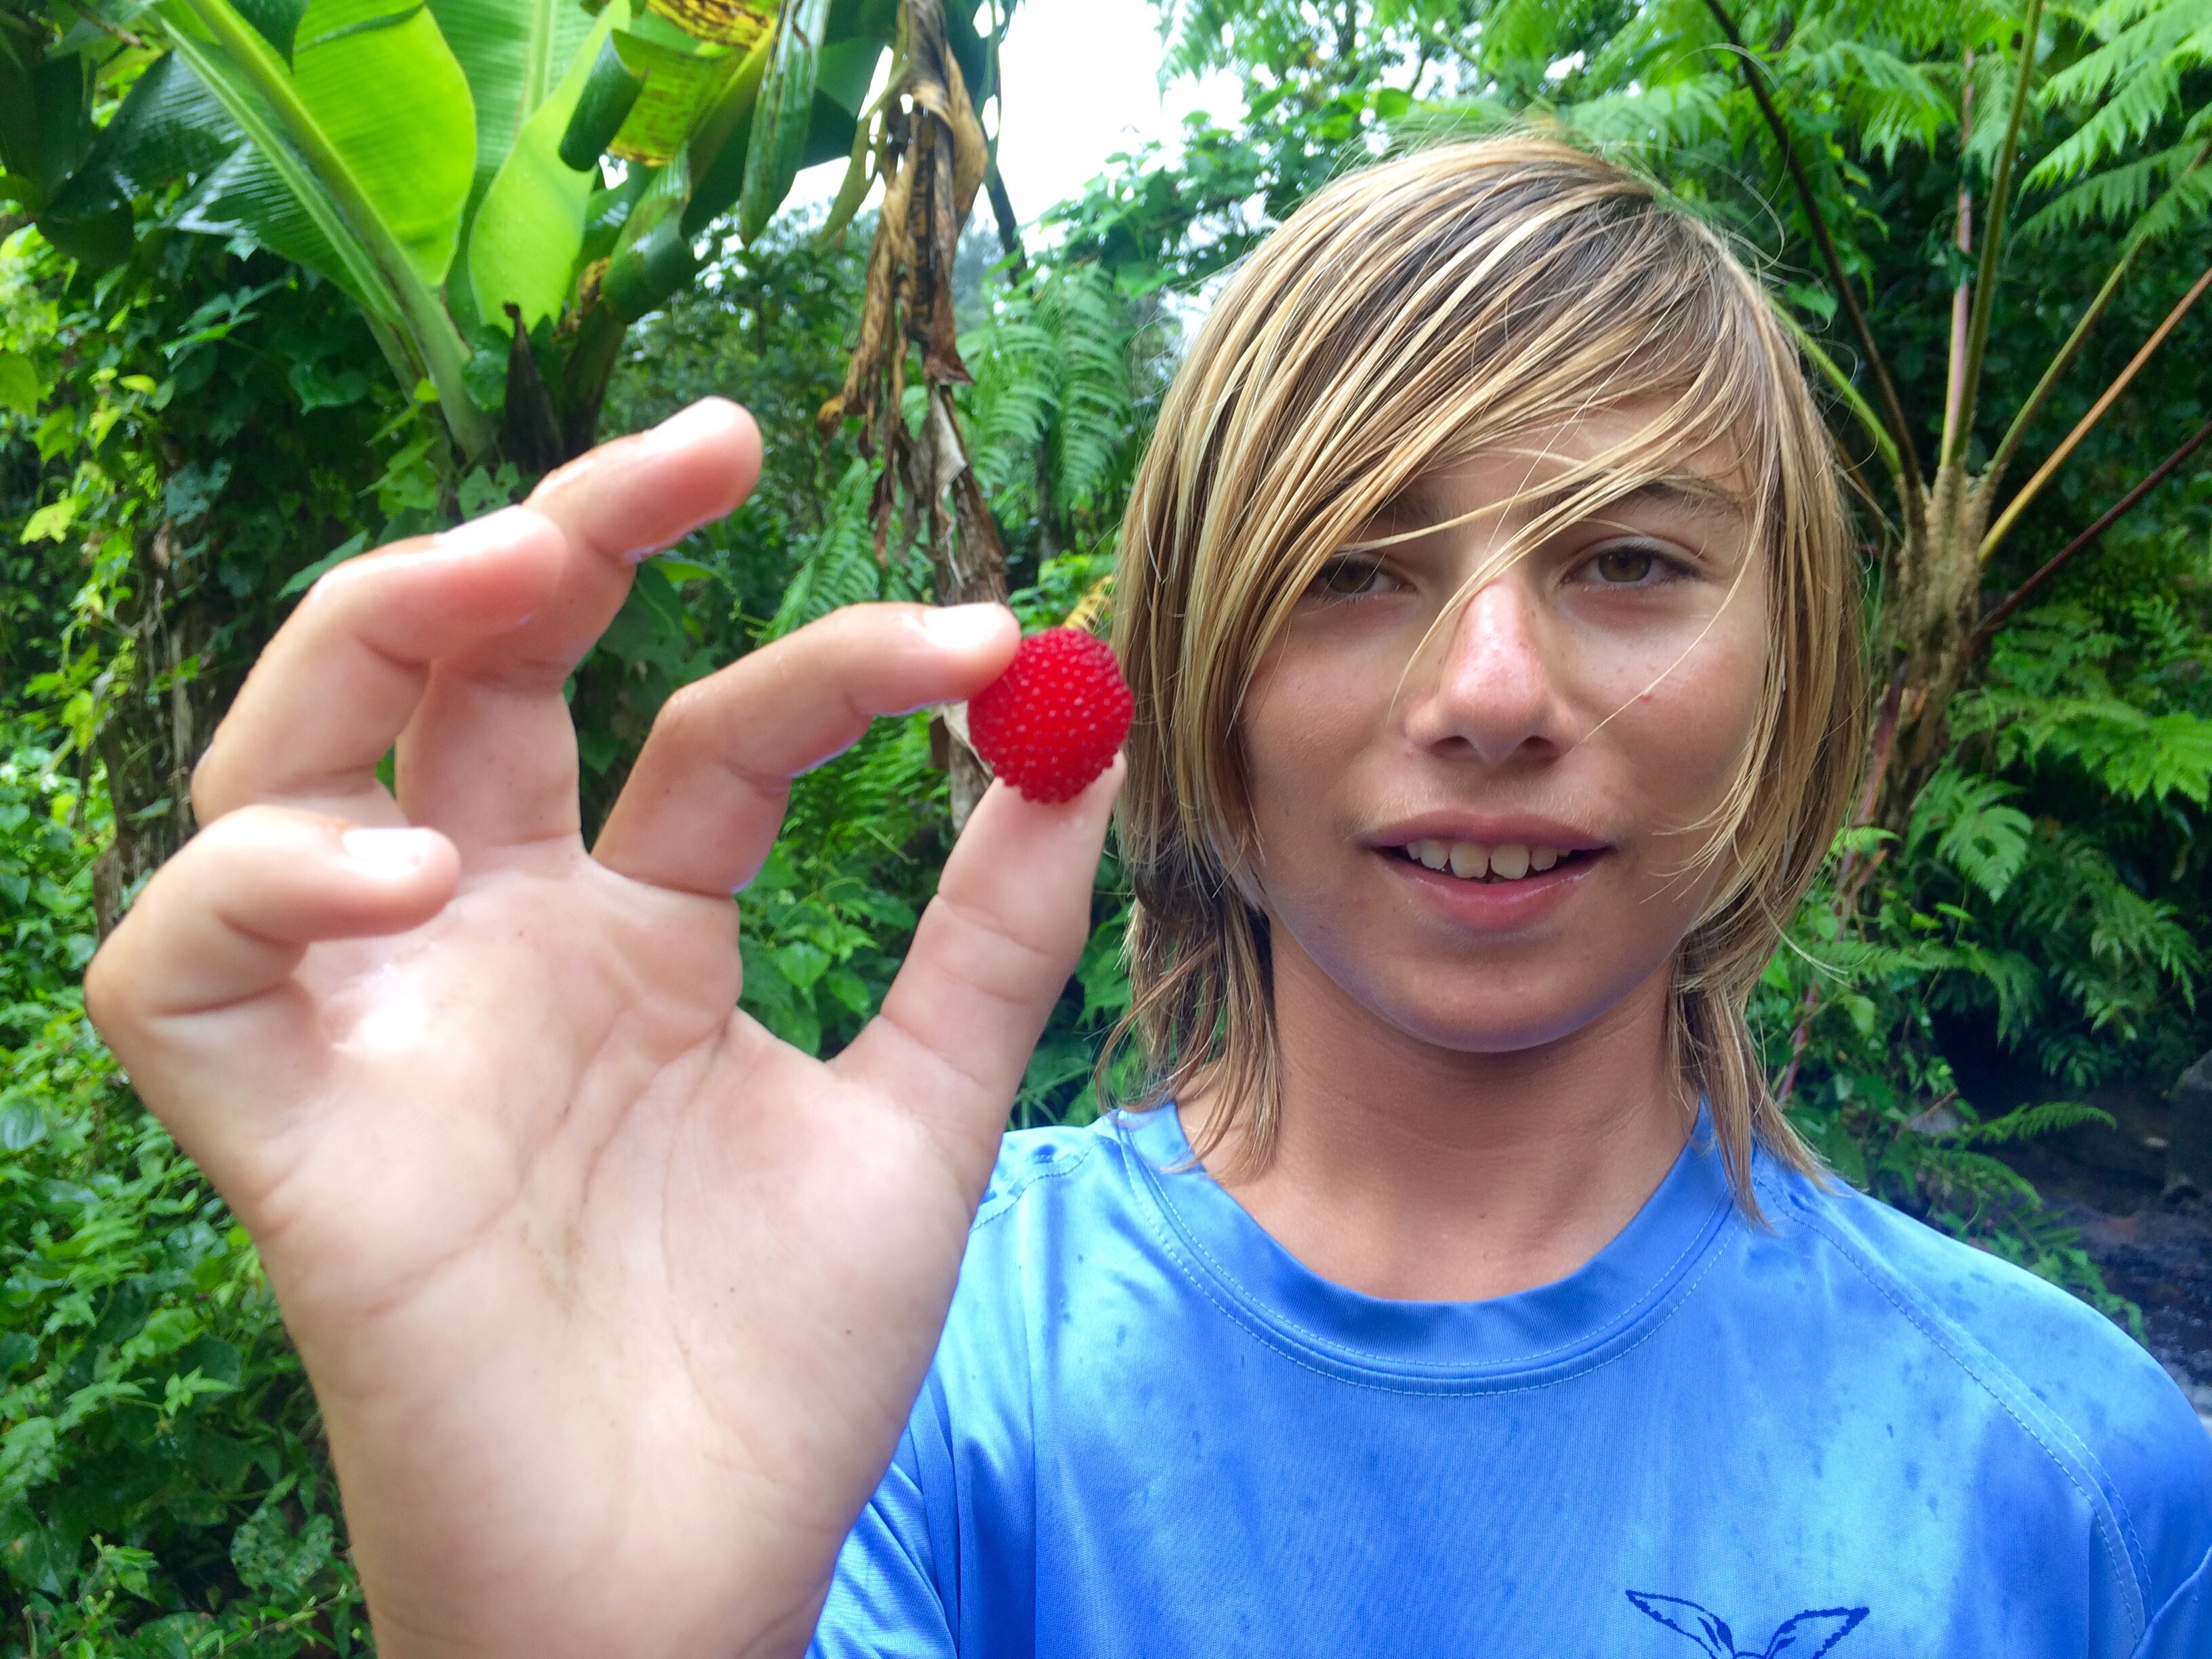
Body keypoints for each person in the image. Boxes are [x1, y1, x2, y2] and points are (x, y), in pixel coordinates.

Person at [84, 138, 2208, 1659]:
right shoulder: (894, 1377)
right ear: (1198, 681)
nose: (1489, 691)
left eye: (1631, 561)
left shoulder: (2083, 1484)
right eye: (1354, 568)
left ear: (1800, 667)